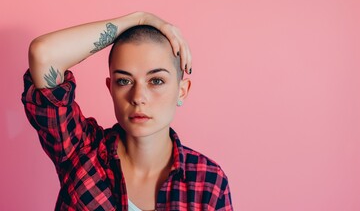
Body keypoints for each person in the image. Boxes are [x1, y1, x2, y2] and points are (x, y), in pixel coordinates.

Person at [22, 11, 233, 210]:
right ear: (110, 88)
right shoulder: (82, 153)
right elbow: (43, 54)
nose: (138, 97)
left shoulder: (208, 182)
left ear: (182, 91)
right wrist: (139, 19)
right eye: (124, 81)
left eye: (156, 81)